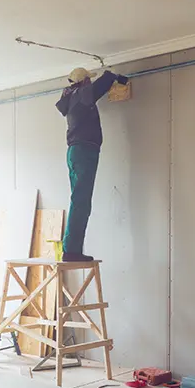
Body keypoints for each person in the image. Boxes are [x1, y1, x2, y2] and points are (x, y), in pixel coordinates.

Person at [56, 66, 129, 262]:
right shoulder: (81, 94)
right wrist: (112, 76)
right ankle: (71, 251)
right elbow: (98, 88)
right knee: (81, 202)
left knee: (78, 200)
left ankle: (71, 249)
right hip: (84, 151)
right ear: (85, 81)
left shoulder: (70, 97)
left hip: (74, 152)